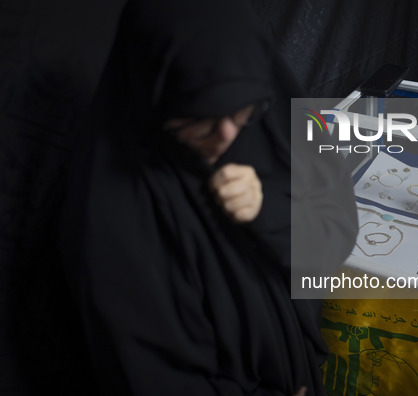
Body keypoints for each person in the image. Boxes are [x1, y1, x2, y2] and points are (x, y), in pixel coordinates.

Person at [58, 0, 358, 395]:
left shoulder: (276, 116)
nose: (227, 137)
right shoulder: (112, 216)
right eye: (199, 116)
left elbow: (338, 227)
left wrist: (269, 212)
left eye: (241, 112)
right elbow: (154, 378)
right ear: (155, 95)